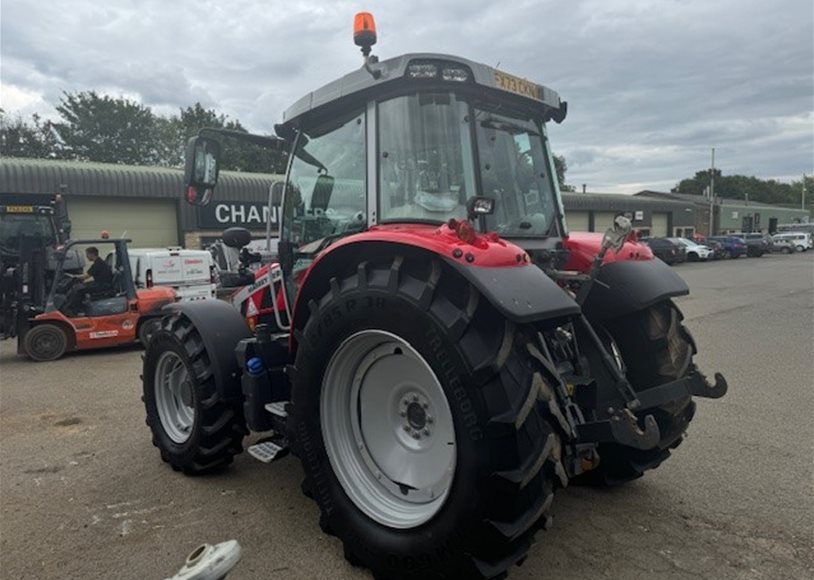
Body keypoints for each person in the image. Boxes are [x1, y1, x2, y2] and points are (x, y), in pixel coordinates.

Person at [63, 247, 114, 316]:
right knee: (82, 285)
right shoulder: (99, 262)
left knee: (79, 290)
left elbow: (85, 276)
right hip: (101, 283)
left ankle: (73, 311)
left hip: (102, 285)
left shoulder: (97, 264)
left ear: (91, 254)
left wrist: (73, 276)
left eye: (87, 254)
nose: (86, 256)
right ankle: (78, 306)